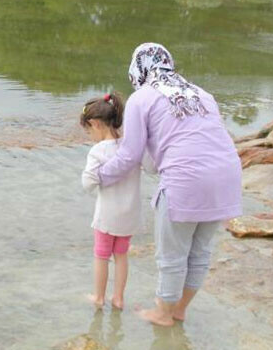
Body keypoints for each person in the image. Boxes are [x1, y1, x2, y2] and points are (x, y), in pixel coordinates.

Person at [97, 43, 242, 326]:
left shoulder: (142, 98)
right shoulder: (202, 94)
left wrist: (100, 175)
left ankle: (162, 314)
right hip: (227, 175)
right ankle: (179, 309)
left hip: (186, 180)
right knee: (199, 251)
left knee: (171, 255)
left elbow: (130, 154)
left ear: (138, 68)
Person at [80, 92, 146, 311]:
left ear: (96, 124)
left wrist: (96, 181)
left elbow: (88, 182)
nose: (90, 135)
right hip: (129, 214)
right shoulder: (130, 148)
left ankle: (99, 297)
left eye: (88, 130)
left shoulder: (97, 151)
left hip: (107, 216)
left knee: (101, 255)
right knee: (121, 256)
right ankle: (118, 298)